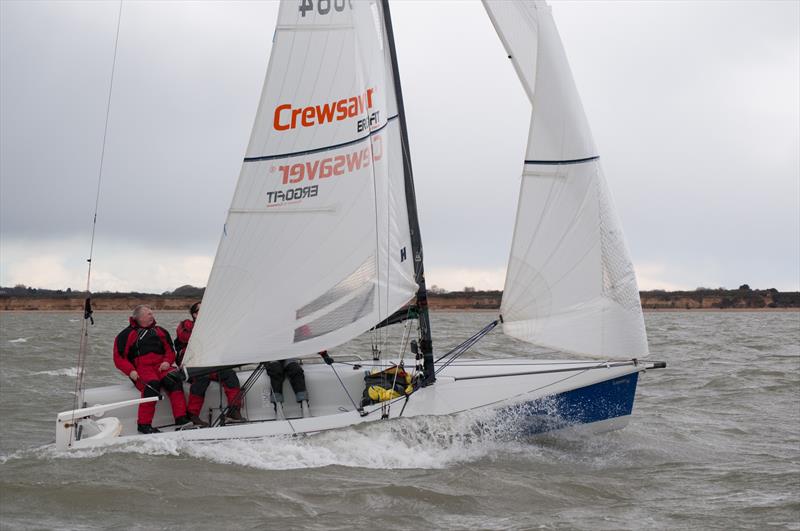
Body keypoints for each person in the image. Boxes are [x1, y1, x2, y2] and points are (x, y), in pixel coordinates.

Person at [113, 305, 189, 434]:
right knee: (152, 386)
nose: (152, 316)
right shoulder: (126, 335)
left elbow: (170, 351)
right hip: (141, 368)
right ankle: (143, 424)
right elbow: (119, 358)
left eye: (152, 314)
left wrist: (166, 361)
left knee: (175, 380)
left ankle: (181, 419)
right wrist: (131, 371)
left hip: (161, 366)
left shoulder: (161, 331)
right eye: (149, 314)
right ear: (139, 317)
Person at [175, 302, 246, 425]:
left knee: (230, 375)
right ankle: (193, 415)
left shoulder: (215, 326)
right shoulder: (185, 325)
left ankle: (234, 411)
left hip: (211, 363)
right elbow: (184, 337)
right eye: (202, 309)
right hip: (193, 365)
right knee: (202, 379)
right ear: (195, 314)